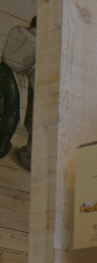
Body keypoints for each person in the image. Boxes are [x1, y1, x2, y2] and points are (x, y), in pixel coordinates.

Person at [0, 17, 36, 166]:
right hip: (17, 78)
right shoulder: (39, 43)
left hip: (2, 69)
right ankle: (1, 147)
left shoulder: (16, 30)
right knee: (13, 113)